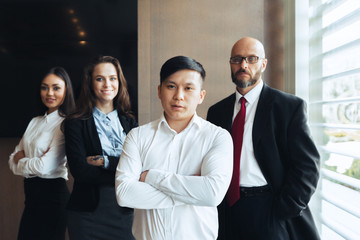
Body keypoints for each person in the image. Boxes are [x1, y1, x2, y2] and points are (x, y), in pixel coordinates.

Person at [207, 37, 320, 240]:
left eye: (251, 58)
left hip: (269, 209)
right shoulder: (216, 112)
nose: (243, 65)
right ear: (230, 64)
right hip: (225, 211)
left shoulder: (288, 107)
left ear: (263, 64)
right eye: (237, 59)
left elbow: (307, 167)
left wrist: (284, 210)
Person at [115, 56, 233, 240]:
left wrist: (152, 177)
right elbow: (125, 194)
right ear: (159, 91)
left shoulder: (217, 137)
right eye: (171, 86)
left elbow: (212, 194)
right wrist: (191, 193)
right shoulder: (137, 136)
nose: (178, 95)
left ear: (201, 95)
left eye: (188, 88)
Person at [64, 56, 137, 240]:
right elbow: (80, 171)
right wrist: (122, 169)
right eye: (100, 79)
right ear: (90, 83)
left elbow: (139, 168)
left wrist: (104, 161)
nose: (107, 84)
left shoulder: (130, 123)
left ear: (119, 82)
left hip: (123, 213)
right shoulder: (75, 123)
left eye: (112, 78)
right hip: (86, 215)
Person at [9, 67, 75, 240]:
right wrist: (31, 163)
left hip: (53, 199)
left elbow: (44, 167)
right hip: (31, 199)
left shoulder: (65, 124)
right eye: (44, 87)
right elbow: (11, 162)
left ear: (66, 90)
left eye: (56, 87)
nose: (49, 93)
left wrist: (22, 159)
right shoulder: (34, 121)